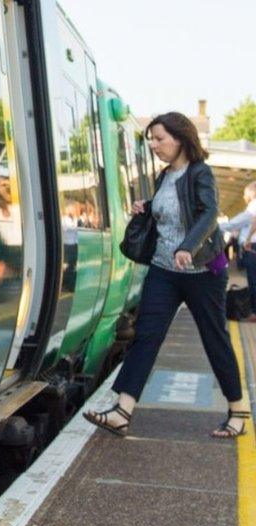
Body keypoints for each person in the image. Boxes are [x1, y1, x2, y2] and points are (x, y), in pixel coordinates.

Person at [84, 112, 249, 438]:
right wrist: (147, 205)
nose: (155, 146)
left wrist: (187, 246)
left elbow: (208, 213)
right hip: (163, 270)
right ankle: (122, 410)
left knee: (214, 338)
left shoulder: (200, 173)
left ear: (181, 138)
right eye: (151, 140)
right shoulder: (163, 177)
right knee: (146, 335)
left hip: (201, 272)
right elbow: (172, 209)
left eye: (160, 139)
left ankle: (238, 410)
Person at [220, 181, 256, 319]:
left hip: (252, 247)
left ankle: (254, 313)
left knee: (254, 280)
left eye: (246, 194)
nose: (244, 197)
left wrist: (213, 227)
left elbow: (236, 223)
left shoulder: (254, 206)